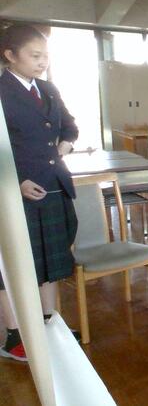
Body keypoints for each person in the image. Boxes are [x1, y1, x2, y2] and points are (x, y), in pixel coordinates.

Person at [0, 24, 79, 361]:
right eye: (35, 56)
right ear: (10, 55)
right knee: (11, 265)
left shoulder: (48, 88)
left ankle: (49, 323)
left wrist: (66, 144)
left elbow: (70, 127)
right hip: (14, 194)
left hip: (53, 185)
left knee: (51, 258)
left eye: (45, 55)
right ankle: (13, 336)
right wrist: (15, 182)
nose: (42, 62)